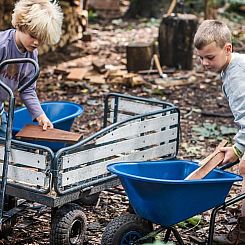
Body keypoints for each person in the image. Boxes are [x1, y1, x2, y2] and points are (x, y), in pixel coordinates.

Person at [194, 19, 245, 244]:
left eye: (210, 57)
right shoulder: (233, 65)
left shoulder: (236, 77)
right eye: (201, 58)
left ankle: (243, 234)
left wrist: (239, 148)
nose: (205, 63)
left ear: (228, 49)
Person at [0, 0, 63, 138]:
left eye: (41, 39)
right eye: (33, 36)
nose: (36, 42)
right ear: (20, 25)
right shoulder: (2, 46)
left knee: (5, 148)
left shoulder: (31, 55)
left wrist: (40, 116)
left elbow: (27, 89)